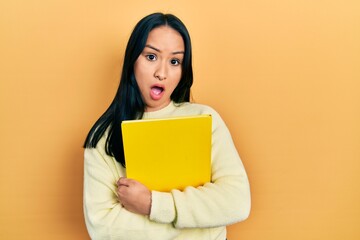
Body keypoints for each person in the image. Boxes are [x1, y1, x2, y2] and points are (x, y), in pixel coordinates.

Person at [83, 12, 251, 240]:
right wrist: (203, 225)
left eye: (174, 61)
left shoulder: (205, 119)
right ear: (133, 60)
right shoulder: (104, 136)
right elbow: (102, 228)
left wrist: (152, 204)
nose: (161, 73)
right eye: (151, 57)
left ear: (183, 71)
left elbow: (237, 202)